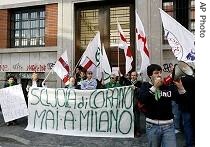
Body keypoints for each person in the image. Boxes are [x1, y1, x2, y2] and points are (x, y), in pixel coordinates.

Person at [139, 64, 188, 147]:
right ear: (150, 75)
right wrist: (154, 87)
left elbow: (184, 101)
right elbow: (143, 99)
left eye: (160, 72)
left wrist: (181, 88)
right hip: (152, 126)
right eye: (156, 73)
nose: (159, 75)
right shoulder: (145, 86)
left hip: (168, 126)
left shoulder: (168, 87)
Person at [177, 75, 195, 147]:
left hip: (185, 106)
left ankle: (189, 144)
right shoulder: (192, 79)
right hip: (192, 105)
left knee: (187, 125)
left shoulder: (181, 79)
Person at [128, 71, 142, 137]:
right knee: (129, 117)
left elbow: (142, 91)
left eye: (134, 75)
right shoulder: (128, 83)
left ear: (136, 76)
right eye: (132, 75)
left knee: (136, 118)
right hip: (128, 103)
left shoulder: (139, 83)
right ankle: (130, 130)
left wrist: (136, 88)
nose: (133, 77)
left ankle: (137, 131)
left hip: (136, 103)